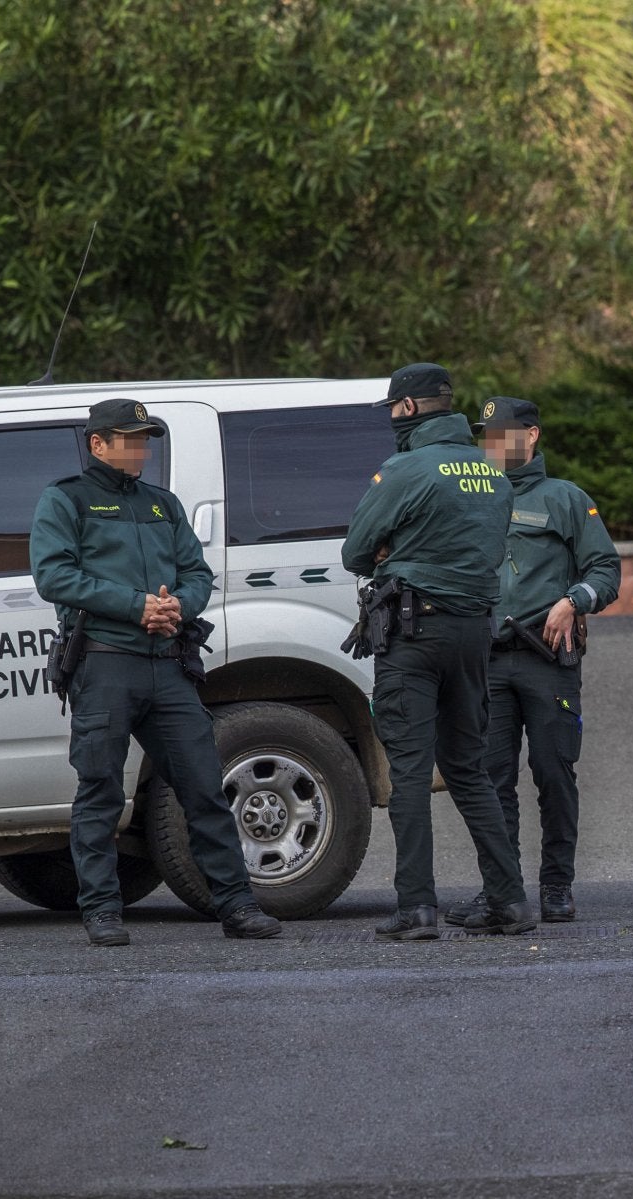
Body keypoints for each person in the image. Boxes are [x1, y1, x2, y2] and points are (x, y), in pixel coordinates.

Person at [29, 398, 283, 947]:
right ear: (98, 443)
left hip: (167, 666)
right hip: (104, 664)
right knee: (99, 792)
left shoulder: (162, 504)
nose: (139, 448)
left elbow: (196, 572)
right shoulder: (66, 499)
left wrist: (178, 607)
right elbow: (54, 577)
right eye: (129, 438)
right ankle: (101, 910)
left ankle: (237, 906)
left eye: (144, 439)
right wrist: (134, 604)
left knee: (203, 788)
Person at [341, 363, 535, 939]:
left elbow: (356, 550)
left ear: (405, 409)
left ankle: (416, 908)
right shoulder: (492, 472)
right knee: (470, 772)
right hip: (475, 634)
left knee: (408, 773)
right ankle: (510, 901)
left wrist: (388, 553)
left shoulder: (406, 468)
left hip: (415, 636)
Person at [441, 396, 621, 927]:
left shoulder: (565, 499)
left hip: (547, 660)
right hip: (486, 661)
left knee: (553, 771)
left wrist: (574, 601)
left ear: (531, 436)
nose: (489, 445)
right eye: (484, 436)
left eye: (499, 435)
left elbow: (605, 569)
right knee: (490, 779)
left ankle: (557, 885)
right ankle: (502, 889)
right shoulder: (468, 501)